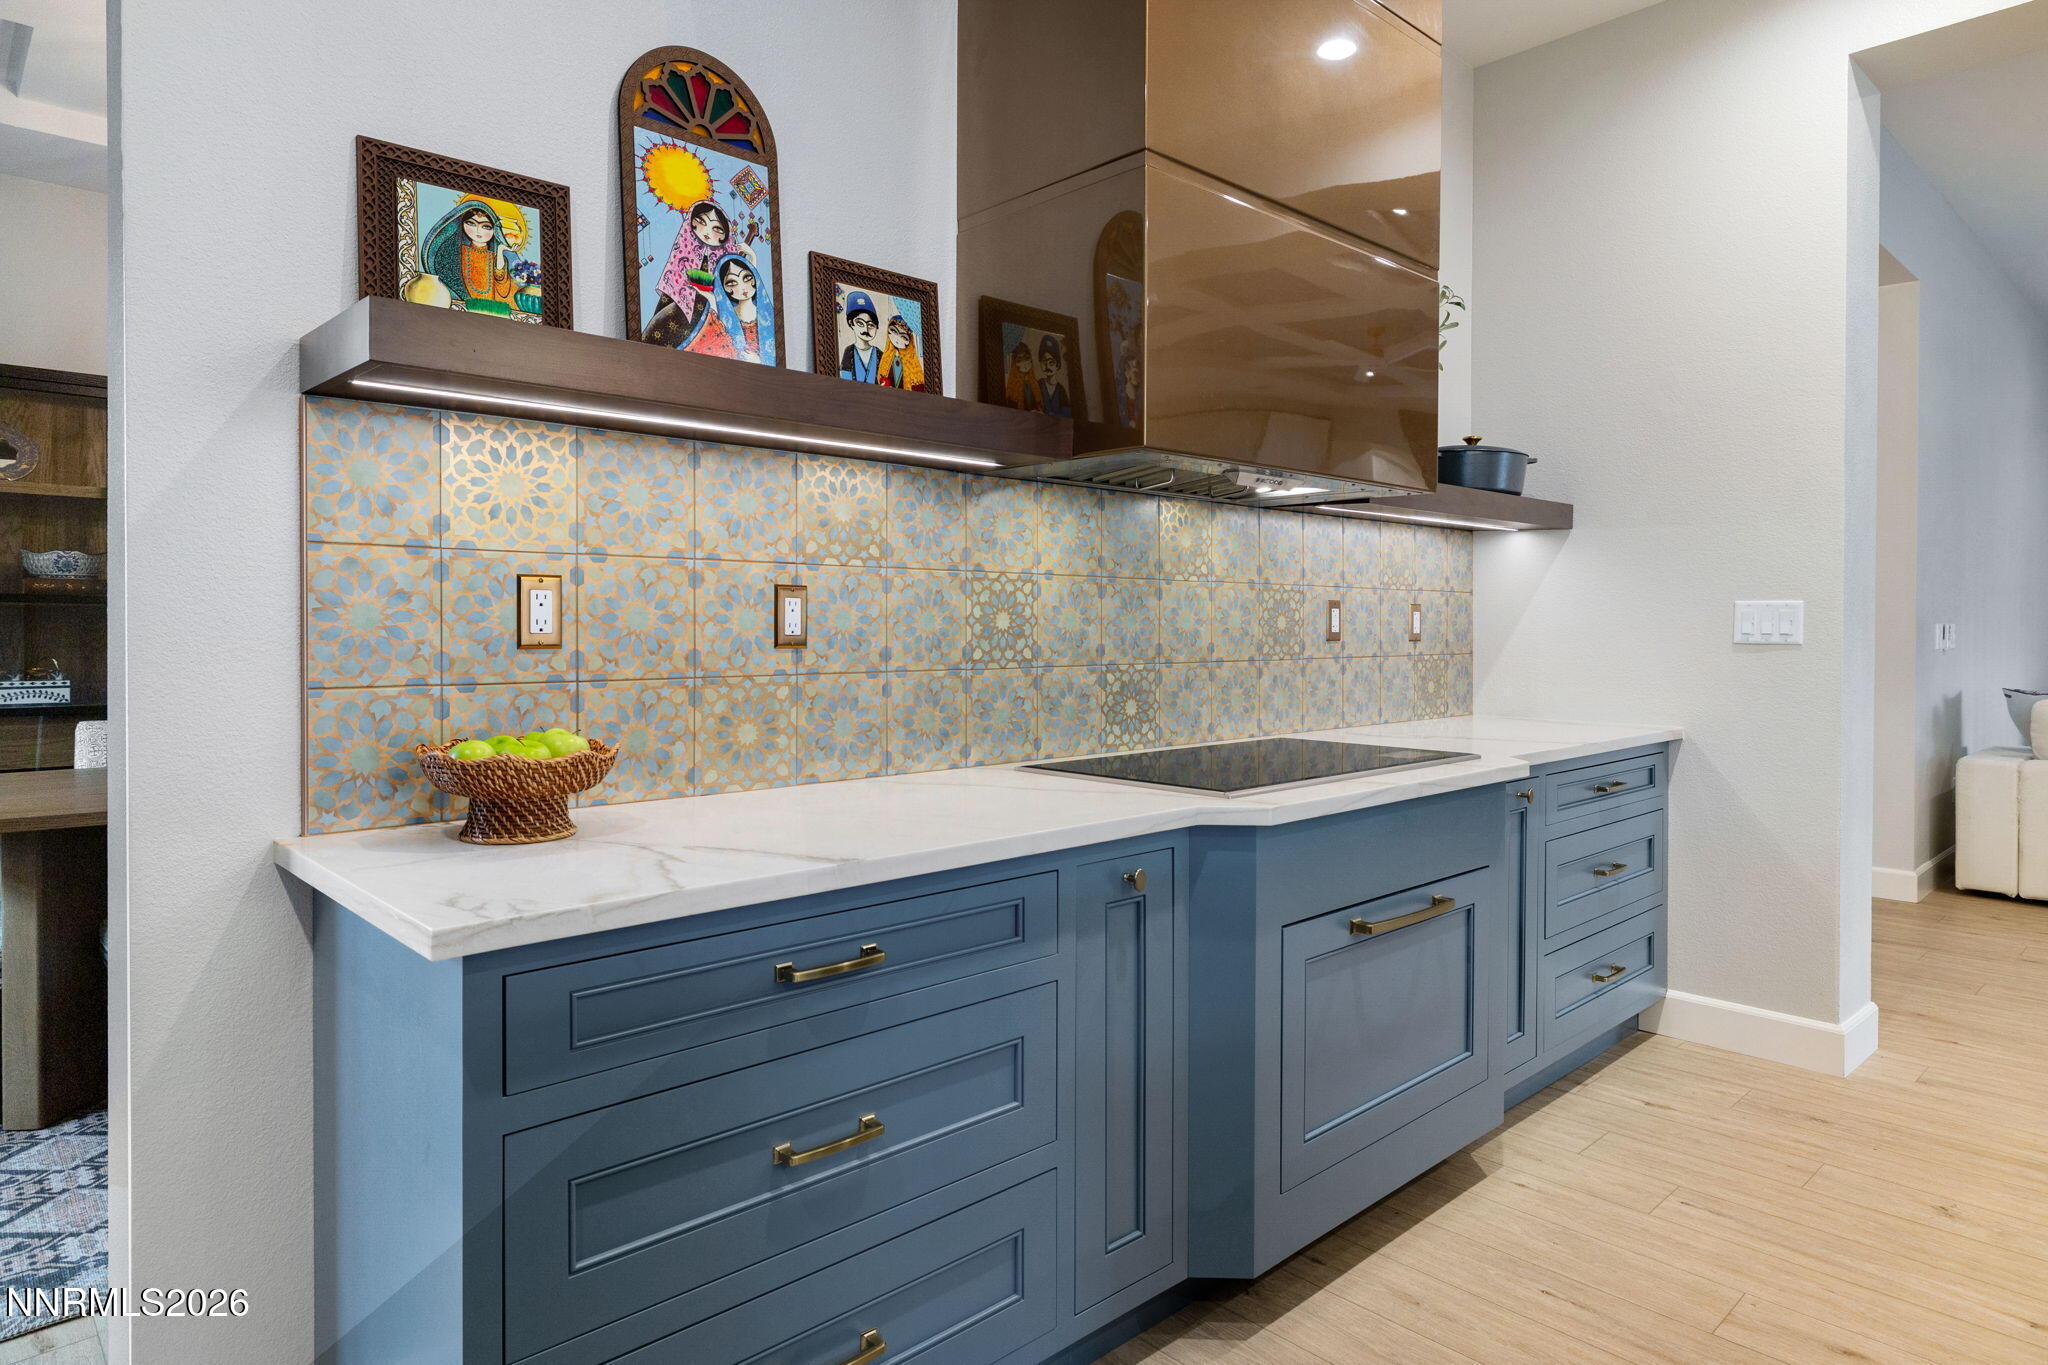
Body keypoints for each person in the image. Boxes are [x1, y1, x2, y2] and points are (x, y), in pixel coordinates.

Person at [645, 200, 741, 347]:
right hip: (677, 302)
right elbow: (671, 286)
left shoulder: (722, 262)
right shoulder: (684, 251)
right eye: (702, 221)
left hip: (704, 313)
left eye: (718, 229)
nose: (708, 232)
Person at [422, 201, 519, 316]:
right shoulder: (456, 253)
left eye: (486, 226)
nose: (478, 231)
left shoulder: (494, 257)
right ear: (462, 224)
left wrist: (500, 249)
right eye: (471, 224)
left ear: (495, 231)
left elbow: (501, 280)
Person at [686, 254, 775, 364]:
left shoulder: (771, 316)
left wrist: (759, 362)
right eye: (732, 283)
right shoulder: (724, 317)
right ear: (724, 288)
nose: (742, 286)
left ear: (755, 279)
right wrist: (712, 300)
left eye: (747, 278)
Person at [875, 314, 928, 391]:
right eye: (893, 331)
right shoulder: (885, 357)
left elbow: (919, 385)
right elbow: (881, 377)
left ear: (909, 342)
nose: (897, 338)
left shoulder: (912, 362)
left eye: (903, 337)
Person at [839, 291, 882, 382]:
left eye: (871, 325)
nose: (866, 330)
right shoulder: (848, 352)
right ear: (851, 323)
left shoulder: (880, 354)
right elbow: (844, 379)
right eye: (860, 323)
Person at [1036, 334, 1071, 417]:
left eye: (1051, 362)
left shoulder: (1061, 390)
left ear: (1057, 365)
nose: (1047, 366)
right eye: (1044, 361)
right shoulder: (1037, 385)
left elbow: (1067, 415)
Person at [1003, 339, 1041, 411]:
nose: (1025, 363)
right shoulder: (1013, 385)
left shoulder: (1034, 382)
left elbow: (1038, 403)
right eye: (1020, 360)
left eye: (1027, 358)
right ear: (1015, 364)